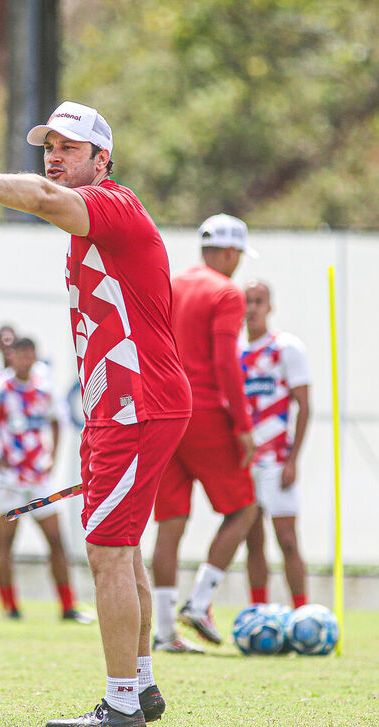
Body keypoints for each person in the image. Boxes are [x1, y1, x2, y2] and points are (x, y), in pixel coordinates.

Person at [0, 100, 191, 727]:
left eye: (71, 146)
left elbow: (45, 198)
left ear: (104, 159)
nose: (55, 155)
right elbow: (51, 197)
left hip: (136, 408)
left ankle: (123, 699)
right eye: (50, 145)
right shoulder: (92, 220)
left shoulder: (113, 204)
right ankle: (142, 686)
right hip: (125, 408)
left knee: (105, 550)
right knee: (122, 548)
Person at [151, 213, 257, 648]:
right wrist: (243, 424)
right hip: (207, 413)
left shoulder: (171, 283)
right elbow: (225, 362)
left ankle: (162, 631)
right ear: (230, 252)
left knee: (170, 523)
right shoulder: (226, 291)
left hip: (165, 412)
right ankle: (199, 601)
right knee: (245, 508)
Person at [0, 336, 89, 623]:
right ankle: (10, 607)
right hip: (7, 479)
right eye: (21, 354)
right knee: (5, 542)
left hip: (37, 478)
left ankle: (68, 606)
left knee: (56, 539)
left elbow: (57, 420)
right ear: (12, 357)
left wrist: (53, 455)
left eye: (31, 354)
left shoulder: (43, 388)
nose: (26, 360)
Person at [239, 280, 311, 608]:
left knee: (288, 541)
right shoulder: (234, 351)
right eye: (247, 302)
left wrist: (293, 459)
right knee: (253, 542)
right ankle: (259, 611)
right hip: (244, 463)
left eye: (258, 301)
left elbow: (304, 405)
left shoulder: (286, 348)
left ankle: (302, 612)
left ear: (270, 306)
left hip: (278, 460)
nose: (251, 308)